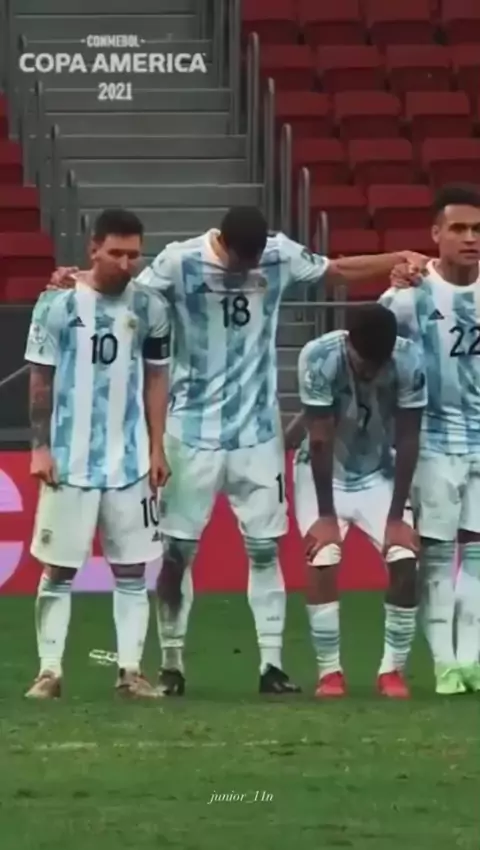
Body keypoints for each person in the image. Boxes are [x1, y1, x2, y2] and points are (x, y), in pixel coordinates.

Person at [50, 206, 427, 696]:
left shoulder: (278, 255)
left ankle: (271, 665)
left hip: (258, 432)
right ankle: (172, 663)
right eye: (239, 263)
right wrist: (77, 282)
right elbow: (128, 290)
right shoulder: (180, 261)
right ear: (222, 243)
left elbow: (335, 269)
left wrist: (398, 257)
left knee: (264, 548)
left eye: (254, 264)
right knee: (178, 553)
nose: (247, 272)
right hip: (191, 430)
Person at [24, 208, 171, 700]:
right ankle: (49, 671)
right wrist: (40, 447)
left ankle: (130, 671)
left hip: (129, 462)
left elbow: (157, 377)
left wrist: (157, 446)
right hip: (70, 462)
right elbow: (40, 379)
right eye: (116, 253)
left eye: (134, 254)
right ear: (93, 249)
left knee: (132, 571)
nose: (126, 263)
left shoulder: (151, 306)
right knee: (60, 569)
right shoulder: (57, 304)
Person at [287, 304, 426, 698]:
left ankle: (392, 670)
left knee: (405, 559)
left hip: (378, 471)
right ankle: (330, 672)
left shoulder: (409, 359)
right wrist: (326, 515)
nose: (370, 371)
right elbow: (319, 438)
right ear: (349, 343)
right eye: (365, 362)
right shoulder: (319, 357)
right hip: (323, 473)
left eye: (378, 363)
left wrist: (397, 517)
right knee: (323, 556)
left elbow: (409, 436)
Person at [380, 183, 480, 696]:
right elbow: (374, 359)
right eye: (458, 228)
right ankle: (444, 664)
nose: (470, 238)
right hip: (433, 442)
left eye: (477, 229)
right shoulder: (408, 297)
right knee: (438, 556)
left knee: (478, 554)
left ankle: (471, 659)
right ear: (436, 233)